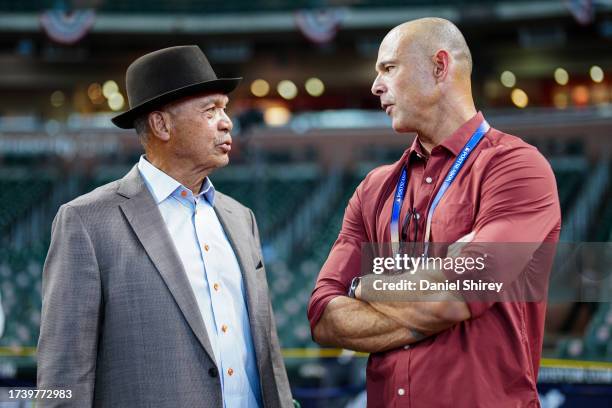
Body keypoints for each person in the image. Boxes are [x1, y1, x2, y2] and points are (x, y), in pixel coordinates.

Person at [308, 18, 560, 407]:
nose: (376, 86)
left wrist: (364, 287)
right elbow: (324, 315)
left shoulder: (516, 167)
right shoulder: (373, 189)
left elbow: (458, 293)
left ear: (440, 67)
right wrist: (435, 295)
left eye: (389, 68)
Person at [38, 45, 293, 408]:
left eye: (224, 108)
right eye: (211, 111)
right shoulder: (86, 222)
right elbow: (63, 376)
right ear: (161, 124)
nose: (227, 121)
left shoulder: (241, 218)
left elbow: (267, 352)